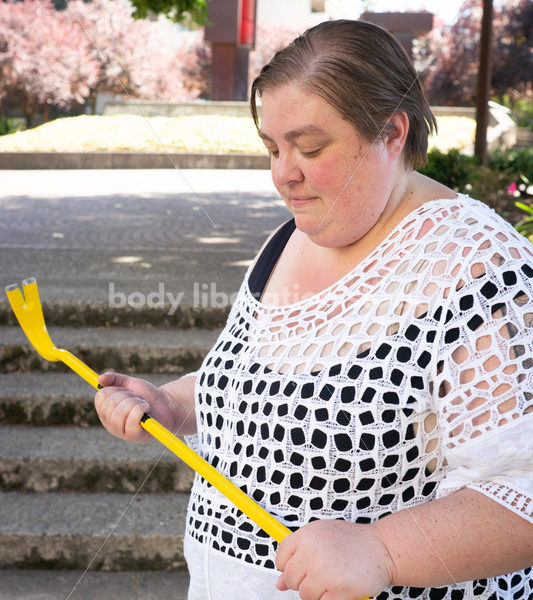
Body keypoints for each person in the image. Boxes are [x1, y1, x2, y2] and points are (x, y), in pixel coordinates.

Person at [95, 19, 533, 600]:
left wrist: (383, 549)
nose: (283, 173)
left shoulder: (478, 269)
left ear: (392, 132)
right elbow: (268, 380)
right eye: (273, 148)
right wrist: (171, 403)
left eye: (310, 147)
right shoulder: (292, 235)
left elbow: (521, 486)